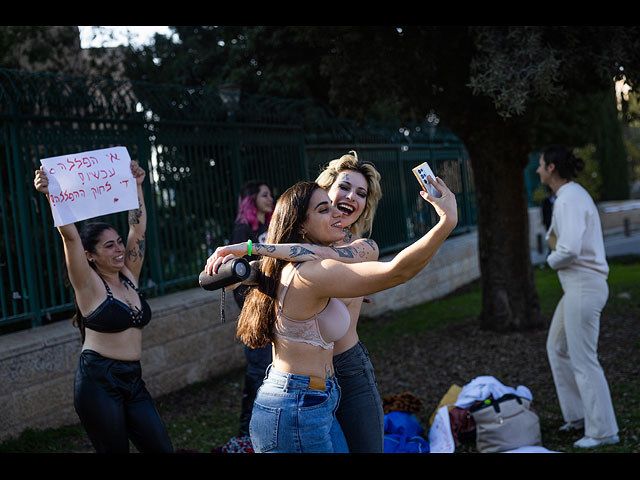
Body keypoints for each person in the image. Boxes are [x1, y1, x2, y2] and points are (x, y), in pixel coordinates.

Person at [206, 175, 457, 452]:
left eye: (360, 193)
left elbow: (307, 254)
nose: (338, 211)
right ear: (300, 224)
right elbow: (399, 271)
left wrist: (251, 256)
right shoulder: (311, 272)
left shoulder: (289, 264)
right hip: (296, 406)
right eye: (324, 209)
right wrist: (447, 222)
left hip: (314, 398)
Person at [210, 152, 385, 452]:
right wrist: (238, 272)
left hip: (349, 369)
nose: (351, 197)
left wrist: (250, 246)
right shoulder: (291, 249)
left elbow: (324, 257)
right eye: (344, 187)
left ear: (365, 207)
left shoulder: (362, 246)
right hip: (306, 382)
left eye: (361, 194)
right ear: (325, 192)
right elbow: (270, 271)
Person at [33, 161, 173, 453]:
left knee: (161, 448)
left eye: (119, 242)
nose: (120, 249)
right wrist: (50, 194)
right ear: (90, 256)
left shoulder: (129, 275)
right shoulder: (88, 284)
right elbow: (69, 236)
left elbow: (138, 228)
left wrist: (137, 186)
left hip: (133, 379)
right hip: (98, 382)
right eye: (109, 245)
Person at [536, 144, 619, 449]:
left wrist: (550, 261)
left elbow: (568, 250)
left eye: (541, 164)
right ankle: (579, 416)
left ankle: (602, 432)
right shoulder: (571, 195)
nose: (537, 169)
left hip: (584, 286)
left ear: (552, 168)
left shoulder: (568, 199)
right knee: (557, 346)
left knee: (584, 360)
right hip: (579, 286)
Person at [229, 180, 274, 439]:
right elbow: (235, 278)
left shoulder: (270, 227)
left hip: (275, 306)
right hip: (256, 311)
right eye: (265, 194)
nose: (270, 199)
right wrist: (250, 310)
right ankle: (246, 433)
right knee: (258, 371)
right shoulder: (242, 231)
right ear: (251, 199)